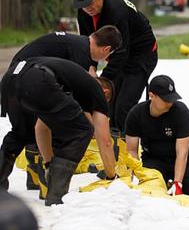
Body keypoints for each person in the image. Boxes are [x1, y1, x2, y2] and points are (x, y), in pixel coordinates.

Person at [0, 57, 117, 205]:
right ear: (105, 92)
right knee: (83, 130)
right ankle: (56, 196)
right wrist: (112, 175)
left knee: (21, 133)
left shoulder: (68, 83)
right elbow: (105, 141)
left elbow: (41, 128)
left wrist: (49, 164)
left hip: (10, 79)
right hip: (37, 79)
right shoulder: (97, 92)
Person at [73, 0, 158, 132]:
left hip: (141, 55)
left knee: (123, 106)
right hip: (119, 53)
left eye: (90, 2)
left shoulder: (116, 12)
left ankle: (127, 148)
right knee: (107, 102)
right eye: (83, 5)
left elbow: (121, 53)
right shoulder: (83, 12)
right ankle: (110, 144)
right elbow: (87, 44)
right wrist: (91, 67)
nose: (88, 8)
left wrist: (102, 80)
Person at [125, 75, 189, 204]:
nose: (170, 102)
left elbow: (182, 153)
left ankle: (174, 186)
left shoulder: (181, 112)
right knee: (149, 198)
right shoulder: (136, 114)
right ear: (152, 96)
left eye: (172, 98)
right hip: (153, 161)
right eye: (165, 99)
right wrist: (135, 173)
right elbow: (131, 150)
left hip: (184, 161)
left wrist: (178, 183)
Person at [10, 25, 121, 76]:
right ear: (106, 49)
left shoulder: (82, 44)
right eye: (109, 54)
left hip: (19, 69)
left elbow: (91, 71)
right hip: (19, 74)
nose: (106, 60)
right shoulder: (81, 53)